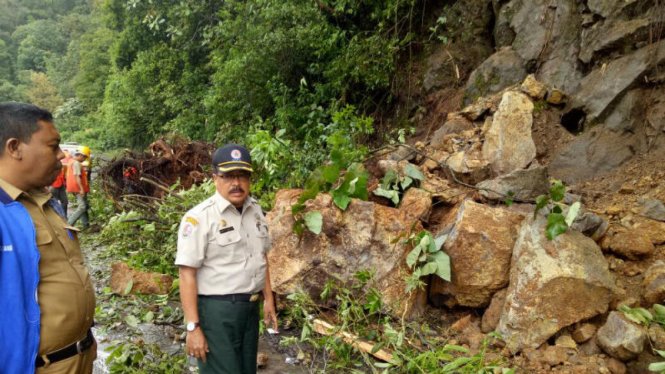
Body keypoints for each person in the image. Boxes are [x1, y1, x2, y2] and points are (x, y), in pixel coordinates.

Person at [0, 102, 96, 374]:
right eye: (53, 146)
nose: (61, 155)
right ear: (15, 148)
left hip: (79, 356)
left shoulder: (45, 202)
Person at [176, 143, 278, 374]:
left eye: (242, 176)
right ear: (214, 178)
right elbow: (186, 273)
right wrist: (193, 328)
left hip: (249, 311)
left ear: (250, 178)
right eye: (228, 176)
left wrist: (268, 298)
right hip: (217, 313)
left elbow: (261, 257)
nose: (236, 183)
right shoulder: (199, 218)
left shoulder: (256, 211)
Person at [66, 150, 90, 230]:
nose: (84, 159)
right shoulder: (76, 163)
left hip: (73, 187)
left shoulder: (71, 161)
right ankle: (69, 225)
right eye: (84, 157)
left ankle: (86, 225)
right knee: (82, 207)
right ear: (80, 155)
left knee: (85, 205)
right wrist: (81, 189)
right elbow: (77, 177)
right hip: (77, 188)